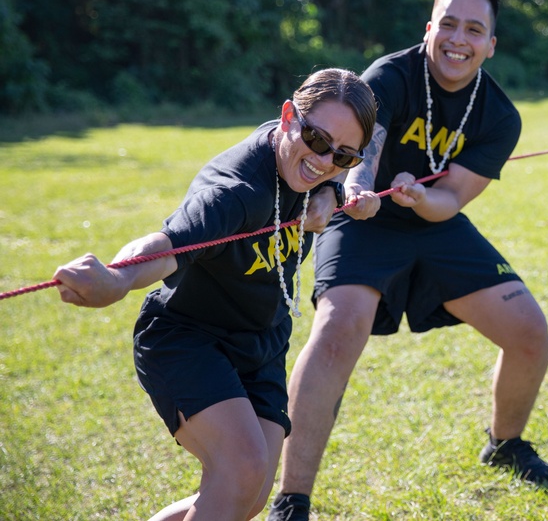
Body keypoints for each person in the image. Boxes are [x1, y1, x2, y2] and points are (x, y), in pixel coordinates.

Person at [267, 0, 548, 521]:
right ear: (429, 27)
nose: (458, 38)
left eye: (474, 29)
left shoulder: (500, 116)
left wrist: (421, 199)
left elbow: (453, 200)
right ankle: (291, 497)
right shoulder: (392, 76)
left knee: (528, 332)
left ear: (491, 44)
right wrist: (357, 189)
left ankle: (505, 443)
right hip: (365, 220)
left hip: (434, 223)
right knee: (335, 332)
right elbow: (365, 151)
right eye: (448, 23)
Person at [51, 69, 377, 521]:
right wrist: (118, 279)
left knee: (250, 493)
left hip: (261, 342)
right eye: (317, 140)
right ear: (288, 117)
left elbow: (333, 162)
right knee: (241, 469)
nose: (323, 159)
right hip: (188, 337)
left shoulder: (312, 164)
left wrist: (336, 188)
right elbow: (169, 245)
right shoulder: (235, 193)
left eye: (341, 155)